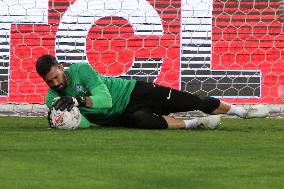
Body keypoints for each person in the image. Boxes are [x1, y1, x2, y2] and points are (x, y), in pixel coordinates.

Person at [36, 54, 269, 130]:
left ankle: (241, 111)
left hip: (135, 92)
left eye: (56, 77)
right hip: (122, 116)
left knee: (193, 101)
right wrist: (64, 121)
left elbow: (105, 100)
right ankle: (194, 124)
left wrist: (77, 100)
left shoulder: (82, 70)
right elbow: (85, 123)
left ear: (61, 67)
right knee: (144, 120)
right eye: (49, 82)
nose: (55, 84)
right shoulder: (52, 100)